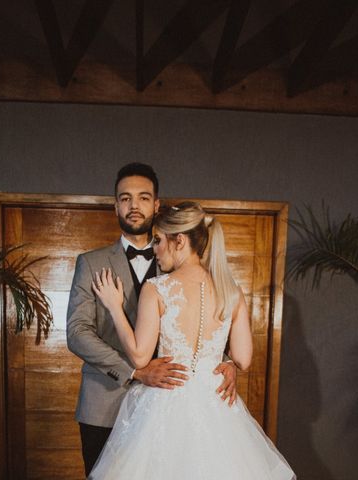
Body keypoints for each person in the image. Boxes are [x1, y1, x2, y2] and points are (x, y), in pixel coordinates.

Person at [90, 202, 296, 479]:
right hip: (217, 406)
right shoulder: (231, 291)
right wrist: (228, 364)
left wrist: (115, 308)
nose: (155, 249)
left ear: (180, 240)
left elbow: (140, 357)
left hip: (165, 404)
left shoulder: (157, 288)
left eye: (159, 241)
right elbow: (243, 359)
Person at [66, 164, 238, 476]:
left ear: (156, 205)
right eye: (125, 198)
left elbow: (198, 322)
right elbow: (77, 332)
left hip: (167, 410)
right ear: (115, 204)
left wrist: (226, 362)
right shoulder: (90, 263)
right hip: (104, 404)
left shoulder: (177, 261)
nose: (134, 206)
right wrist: (134, 370)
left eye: (143, 198)